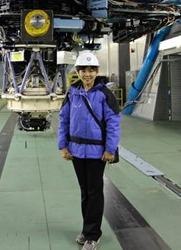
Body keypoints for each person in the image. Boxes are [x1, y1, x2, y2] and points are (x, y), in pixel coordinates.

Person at [58, 51, 121, 250]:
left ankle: (93, 235)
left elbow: (113, 123)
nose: (87, 74)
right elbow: (64, 120)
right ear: (77, 71)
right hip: (77, 151)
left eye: (91, 70)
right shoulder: (73, 92)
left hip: (97, 152)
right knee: (85, 192)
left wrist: (110, 149)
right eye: (83, 70)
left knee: (95, 192)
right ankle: (86, 231)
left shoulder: (104, 94)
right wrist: (63, 145)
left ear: (96, 72)